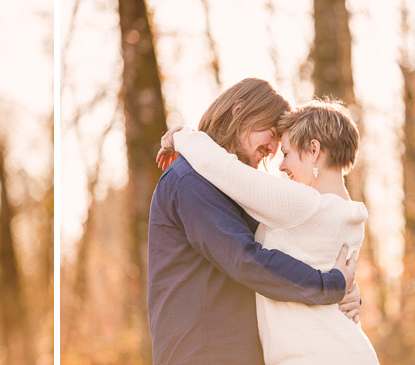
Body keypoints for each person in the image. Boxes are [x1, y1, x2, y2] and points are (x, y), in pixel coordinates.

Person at [146, 78, 361, 364]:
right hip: (203, 352)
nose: (273, 149)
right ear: (239, 111)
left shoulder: (243, 192)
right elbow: (244, 260)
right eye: (271, 133)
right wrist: (330, 286)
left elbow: (295, 256)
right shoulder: (191, 181)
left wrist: (347, 292)